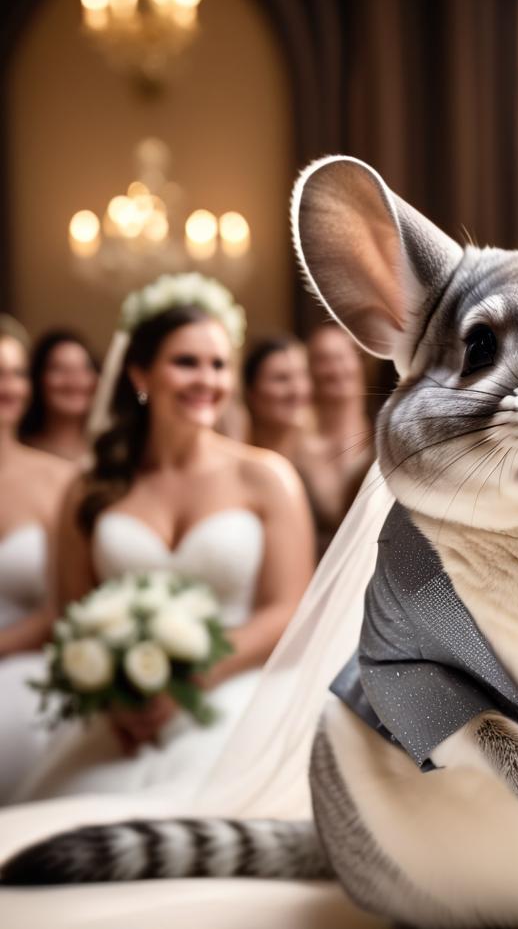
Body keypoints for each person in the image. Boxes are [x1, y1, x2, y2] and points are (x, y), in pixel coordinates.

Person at [13, 275, 315, 801]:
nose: (206, 379)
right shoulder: (89, 488)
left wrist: (190, 681)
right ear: (139, 373)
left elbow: (286, 607)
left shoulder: (267, 479)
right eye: (186, 362)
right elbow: (72, 613)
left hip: (236, 694)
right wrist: (116, 692)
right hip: (123, 714)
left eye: (219, 365)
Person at [0, 316, 76, 801]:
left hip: (26, 667)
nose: (6, 386)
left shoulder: (59, 481)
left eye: (15, 373)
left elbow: (67, 603)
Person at [304, 323, 374, 556]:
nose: (335, 369)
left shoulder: (383, 440)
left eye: (343, 357)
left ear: (359, 362)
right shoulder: (297, 449)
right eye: (323, 359)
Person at [18, 329, 98, 464]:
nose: (74, 380)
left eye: (84, 368)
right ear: (37, 380)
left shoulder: (111, 455)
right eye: (59, 369)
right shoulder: (18, 453)